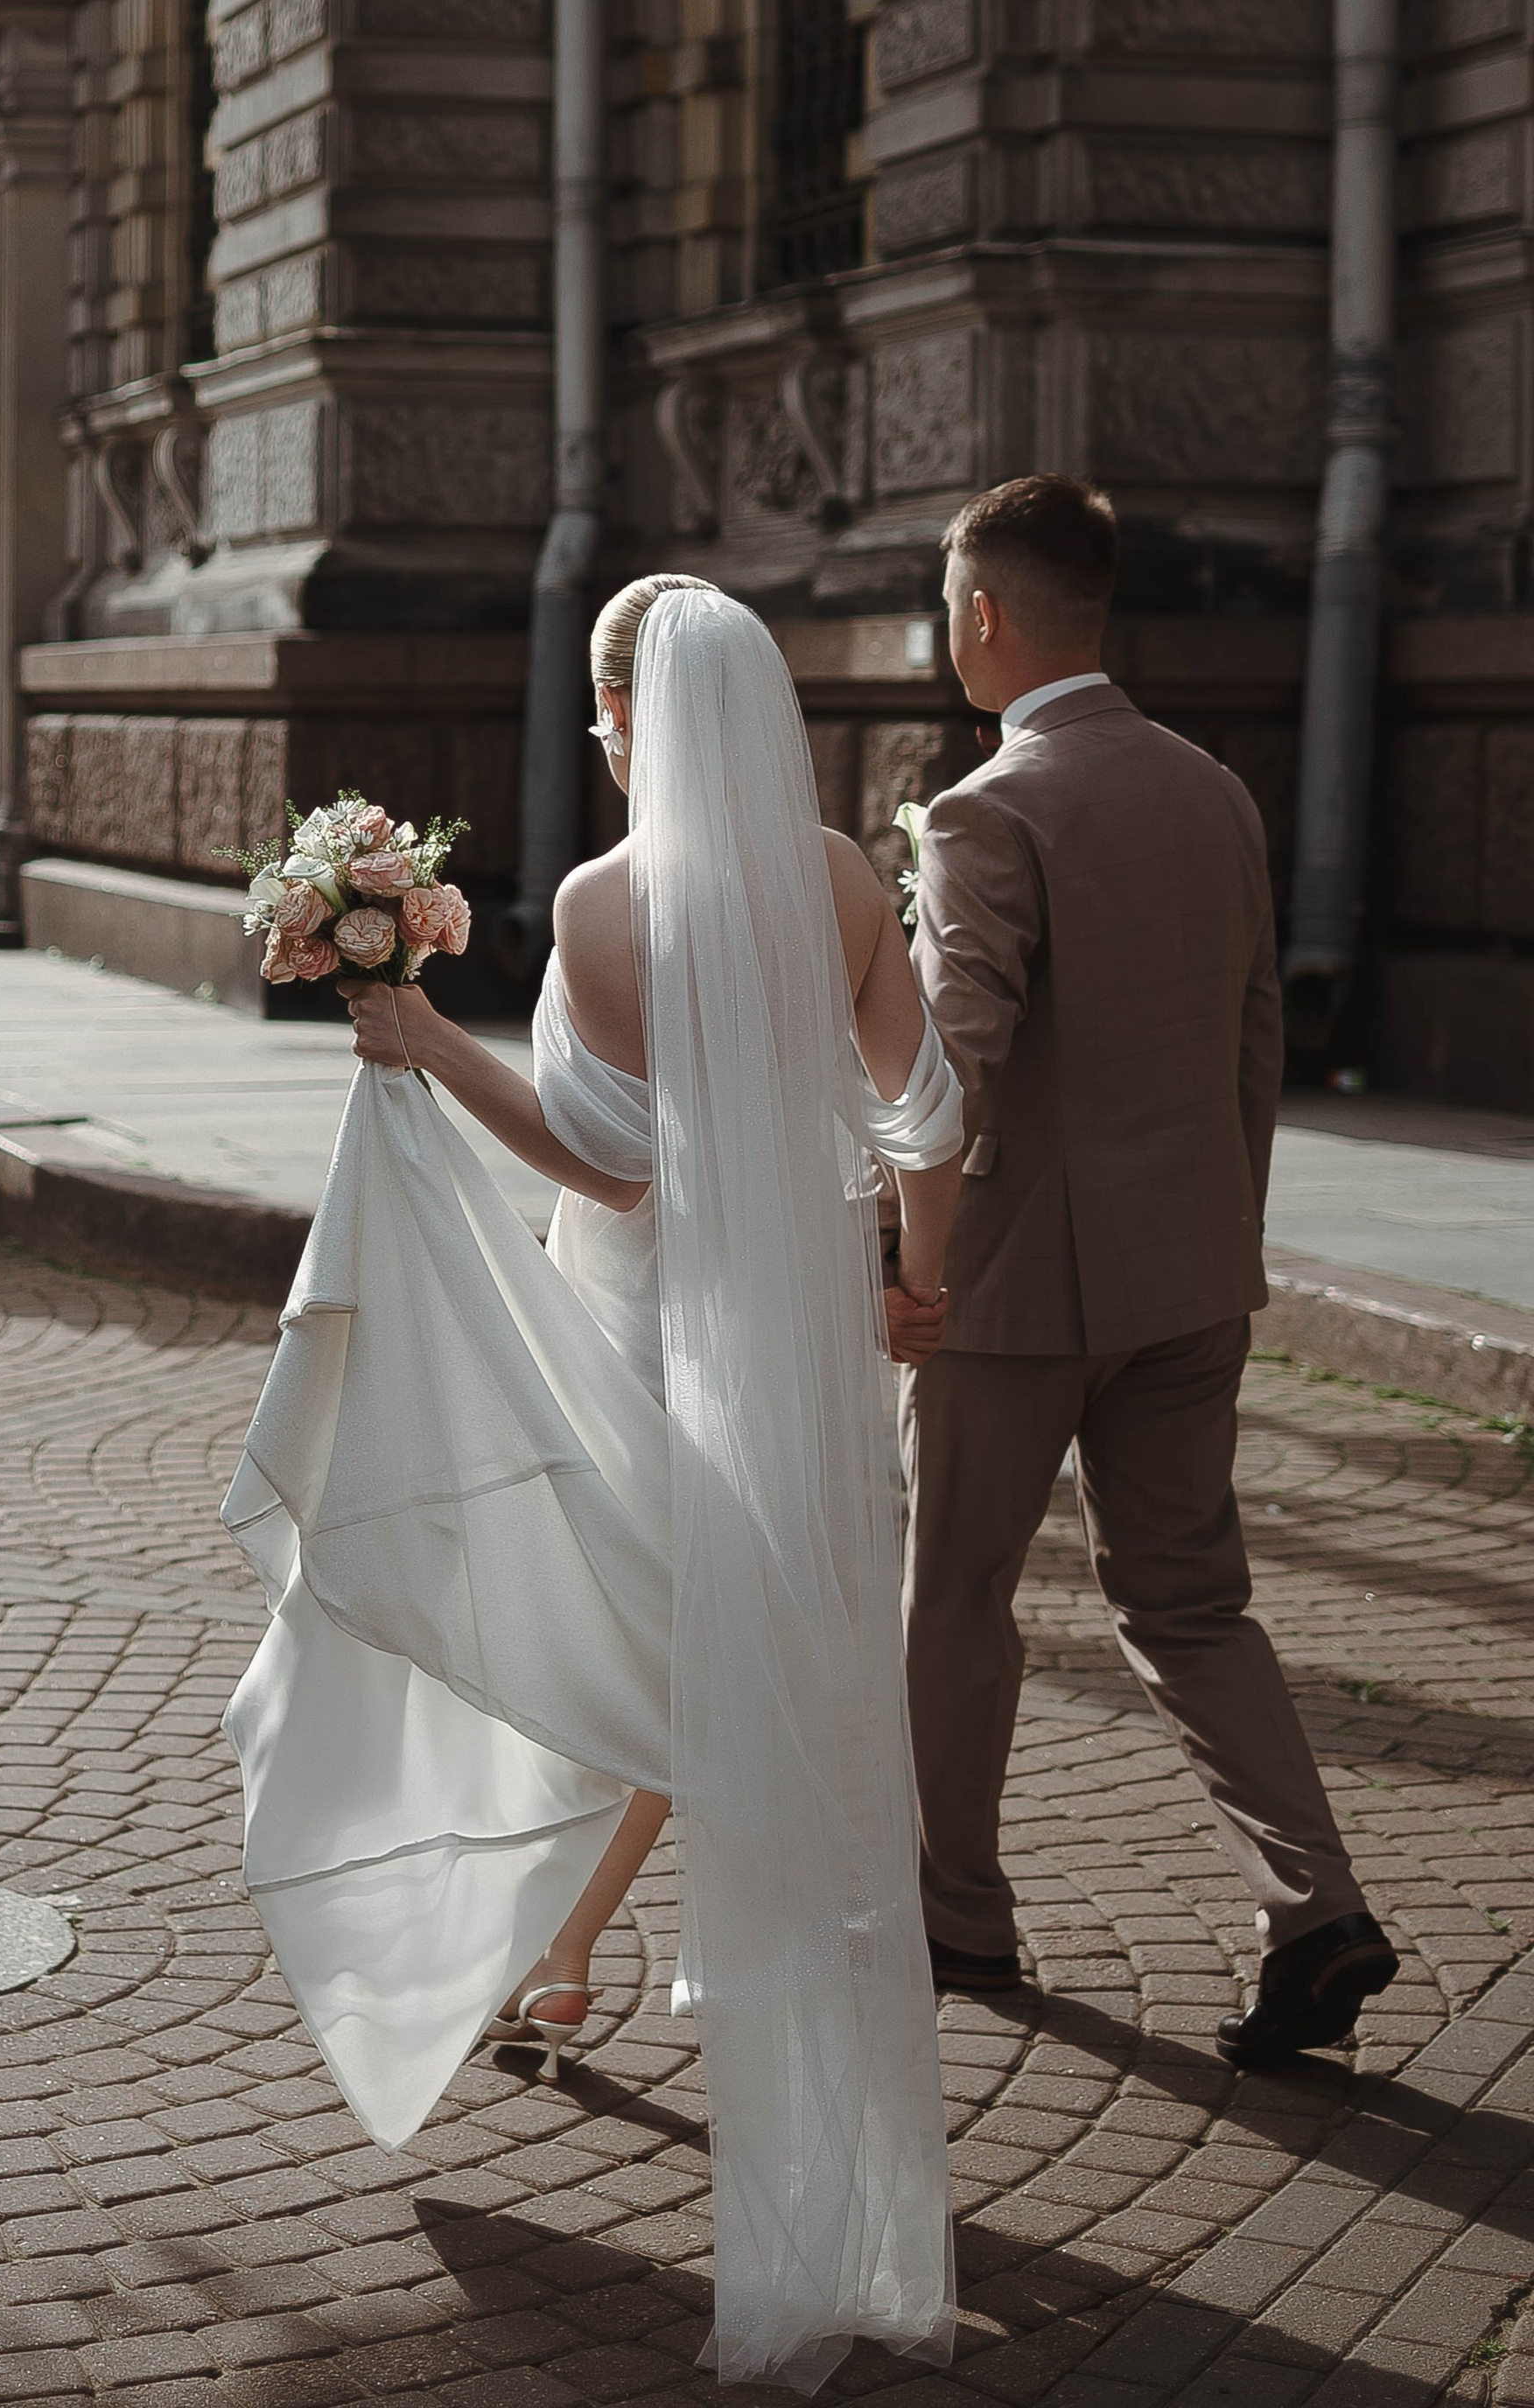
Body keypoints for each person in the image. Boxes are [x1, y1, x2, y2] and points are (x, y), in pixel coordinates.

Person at [221, 577, 963, 2390]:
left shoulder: (600, 905)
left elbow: (605, 1169)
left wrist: (420, 1041)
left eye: (600, 708)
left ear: (637, 710)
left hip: (635, 1333)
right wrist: (903, 1276)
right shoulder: (851, 883)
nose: (596, 734)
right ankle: (609, 1988)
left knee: (590, 1648)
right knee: (749, 1686)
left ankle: (527, 1941)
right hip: (785, 1359)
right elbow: (927, 1108)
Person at [901, 472, 1398, 2066]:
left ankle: (961, 1916)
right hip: (1192, 1268)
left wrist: (892, 1255)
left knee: (960, 1590)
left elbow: (949, 1069)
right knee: (1191, 1604)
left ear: (983, 614)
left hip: (1014, 1293)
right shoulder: (1215, 790)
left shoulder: (990, 809)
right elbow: (1257, 1041)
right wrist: (1218, 1231)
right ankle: (1315, 1903)